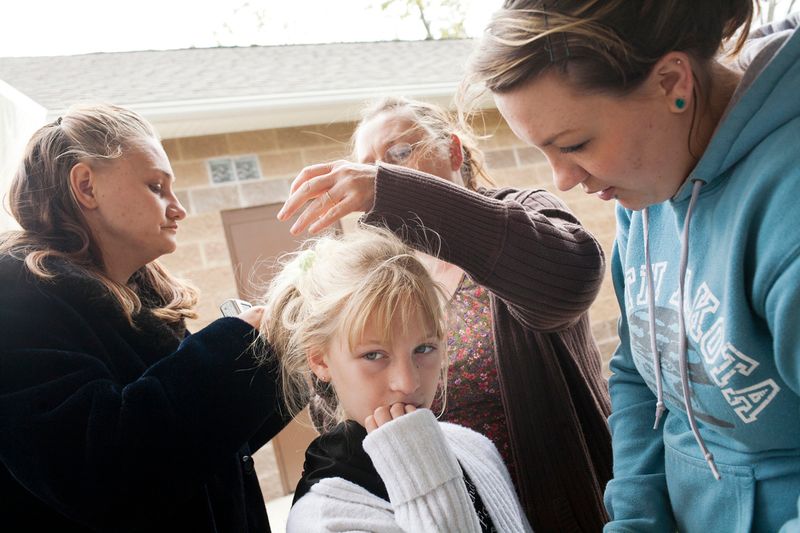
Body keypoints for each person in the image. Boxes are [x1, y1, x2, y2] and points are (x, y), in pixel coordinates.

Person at [463, 1, 800, 531]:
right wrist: (636, 519)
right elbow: (641, 370)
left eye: (575, 144)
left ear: (671, 82)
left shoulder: (789, 209)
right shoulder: (649, 186)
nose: (563, 179)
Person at [277, 96, 612, 531]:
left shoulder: (524, 213)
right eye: (370, 164)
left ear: (454, 150)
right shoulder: (392, 272)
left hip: (559, 507)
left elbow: (568, 278)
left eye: (400, 152)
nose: (387, 170)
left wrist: (390, 191)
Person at [0, 104, 287, 532]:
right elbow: (102, 473)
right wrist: (242, 342)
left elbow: (190, 450)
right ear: (86, 186)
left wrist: (287, 352)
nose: (178, 209)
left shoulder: (144, 299)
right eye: (156, 186)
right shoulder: (16, 297)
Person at [258, 225, 532, 532]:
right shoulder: (324, 518)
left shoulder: (474, 447)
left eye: (424, 348)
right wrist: (423, 474)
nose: (408, 382)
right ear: (320, 360)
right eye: (374, 355)